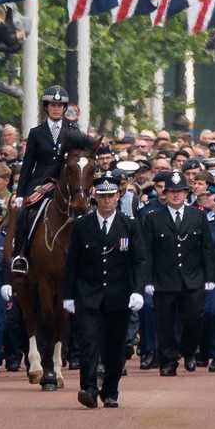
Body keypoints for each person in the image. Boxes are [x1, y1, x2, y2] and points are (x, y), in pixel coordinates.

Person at [62, 171, 148, 408]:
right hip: (88, 295)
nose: (107, 200)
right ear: (94, 197)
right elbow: (73, 262)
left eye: (111, 195)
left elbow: (139, 260)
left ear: (118, 196)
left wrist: (138, 290)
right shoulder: (82, 225)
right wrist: (68, 295)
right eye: (102, 195)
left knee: (115, 346)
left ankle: (110, 390)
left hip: (118, 296)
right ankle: (88, 388)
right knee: (88, 341)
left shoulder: (129, 225)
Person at [10, 86, 95, 273]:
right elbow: (27, 165)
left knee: (87, 211)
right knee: (24, 212)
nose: (56, 108)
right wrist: (21, 192)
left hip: (68, 183)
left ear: (65, 108)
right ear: (46, 107)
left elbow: (83, 160)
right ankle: (21, 254)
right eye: (52, 105)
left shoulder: (73, 132)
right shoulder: (36, 133)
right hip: (40, 183)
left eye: (60, 105)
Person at [142, 169, 212, 375]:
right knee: (164, 323)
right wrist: (147, 279)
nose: (175, 195)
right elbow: (147, 251)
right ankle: (168, 361)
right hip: (164, 279)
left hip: (192, 279)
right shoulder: (153, 218)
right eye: (171, 191)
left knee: (194, 318)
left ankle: (189, 350)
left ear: (186, 193)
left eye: (180, 191)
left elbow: (206, 249)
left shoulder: (198, 215)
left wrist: (209, 278)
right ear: (165, 193)